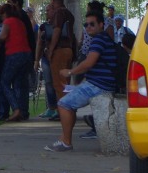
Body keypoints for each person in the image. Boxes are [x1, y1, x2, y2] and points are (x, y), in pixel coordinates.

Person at [45, 11, 119, 152]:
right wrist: (72, 87)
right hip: (100, 83)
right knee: (69, 100)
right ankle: (64, 138)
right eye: (86, 24)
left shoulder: (98, 40)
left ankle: (66, 141)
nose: (88, 27)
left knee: (63, 104)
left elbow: (89, 63)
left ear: (101, 25)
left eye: (92, 24)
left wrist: (70, 72)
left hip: (99, 86)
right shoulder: (105, 39)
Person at [0, 0, 36, 121]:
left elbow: (4, 37)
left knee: (6, 82)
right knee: (20, 83)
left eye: (9, 2)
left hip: (15, 53)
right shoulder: (22, 18)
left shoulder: (13, 19)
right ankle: (23, 111)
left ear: (15, 3)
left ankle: (17, 109)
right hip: (26, 53)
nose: (8, 3)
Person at [44, 0, 76, 121]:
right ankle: (70, 107)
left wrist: (51, 49)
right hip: (69, 50)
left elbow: (57, 30)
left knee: (58, 83)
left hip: (60, 50)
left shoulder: (59, 12)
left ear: (54, 0)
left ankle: (63, 111)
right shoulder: (69, 13)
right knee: (66, 83)